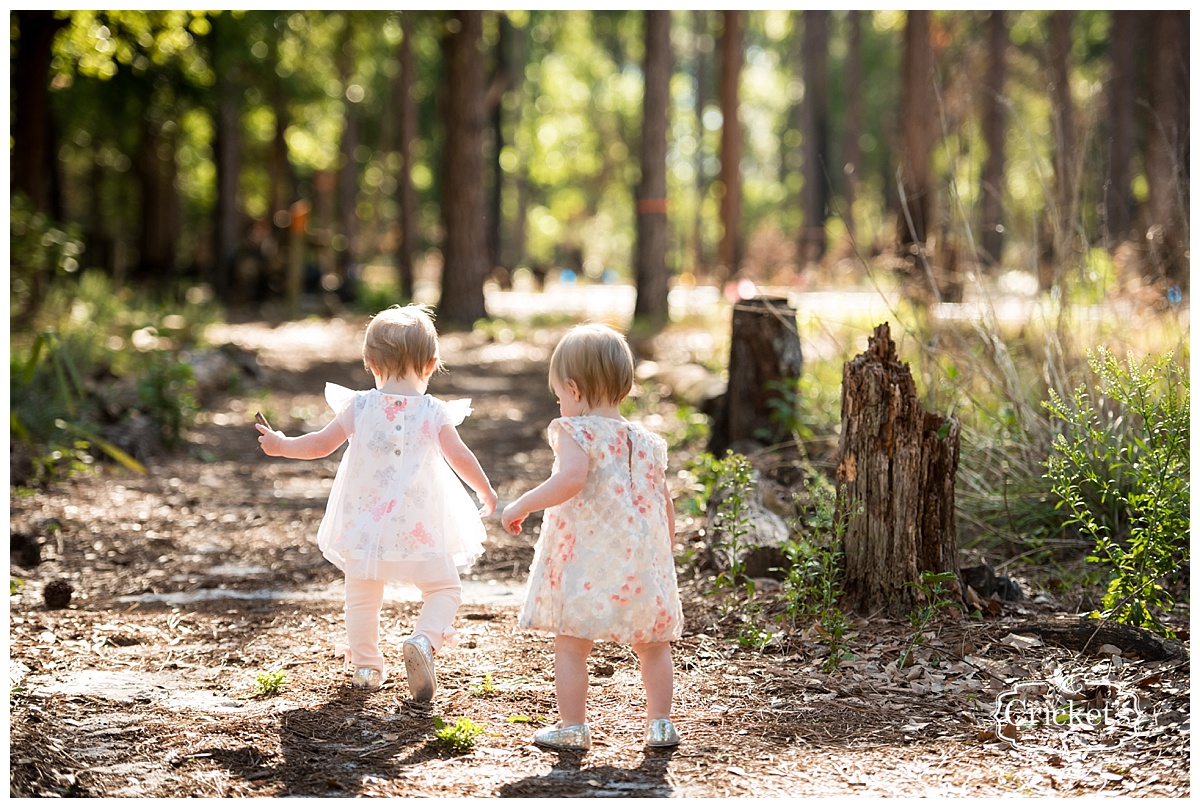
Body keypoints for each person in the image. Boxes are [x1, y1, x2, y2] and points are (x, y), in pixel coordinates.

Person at [256, 304, 497, 701]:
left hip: (367, 531)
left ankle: (367, 666)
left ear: (369, 363)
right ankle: (424, 639)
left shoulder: (360, 406)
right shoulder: (435, 412)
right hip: (422, 529)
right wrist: (484, 490)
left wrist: (282, 446)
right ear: (433, 363)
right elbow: (461, 458)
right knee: (443, 588)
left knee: (362, 598)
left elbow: (319, 445)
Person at [502, 323, 683, 751]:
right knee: (654, 645)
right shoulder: (647, 441)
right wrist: (664, 552)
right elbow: (664, 501)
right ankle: (660, 724)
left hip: (586, 560)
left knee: (571, 644)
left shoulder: (576, 431)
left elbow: (570, 478)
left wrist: (523, 503)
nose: (560, 404)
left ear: (574, 389)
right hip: (641, 561)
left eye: (560, 396)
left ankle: (573, 727)